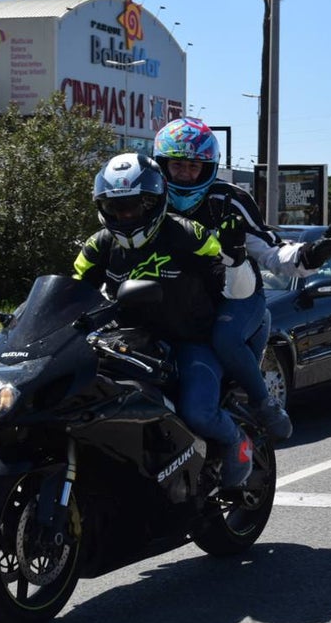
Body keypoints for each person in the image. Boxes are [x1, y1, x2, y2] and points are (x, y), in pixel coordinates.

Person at [152, 117, 331, 442]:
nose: (185, 174)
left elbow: (271, 252)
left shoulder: (230, 200)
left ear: (209, 167)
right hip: (173, 302)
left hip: (235, 295)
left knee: (225, 337)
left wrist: (312, 253)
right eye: (177, 166)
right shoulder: (151, 199)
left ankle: (264, 404)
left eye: (193, 166)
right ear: (162, 166)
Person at [72, 152, 257, 488]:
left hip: (189, 341)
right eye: (116, 207)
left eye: (135, 205)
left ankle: (236, 442)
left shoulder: (189, 234)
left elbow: (238, 291)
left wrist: (236, 258)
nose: (125, 214)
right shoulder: (99, 244)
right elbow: (71, 292)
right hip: (126, 341)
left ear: (156, 202)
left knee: (197, 412)